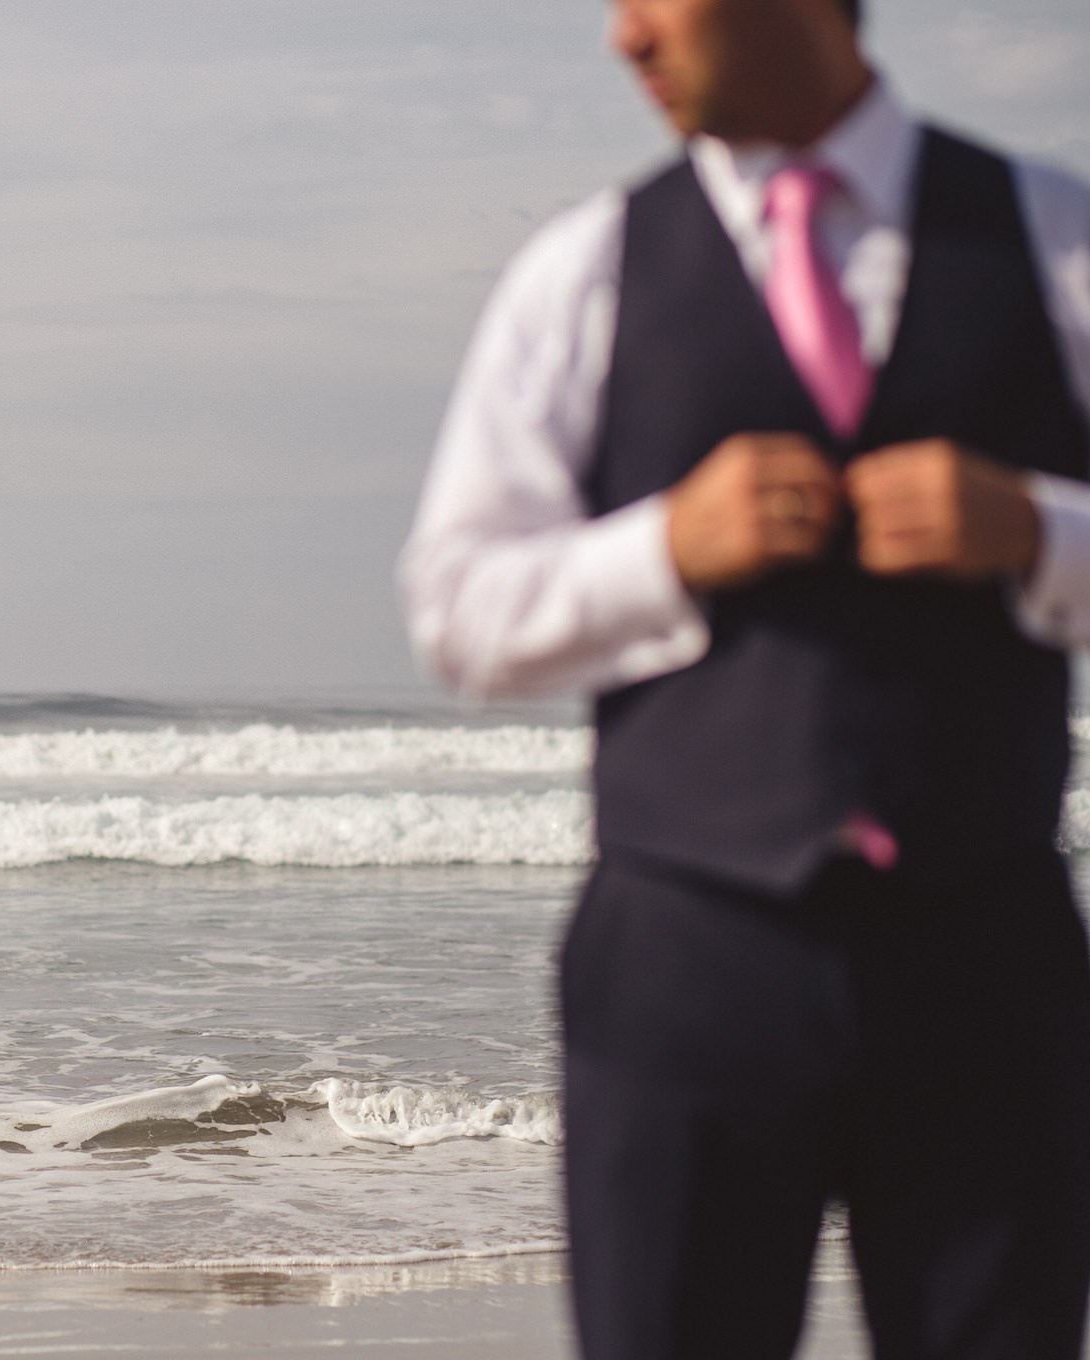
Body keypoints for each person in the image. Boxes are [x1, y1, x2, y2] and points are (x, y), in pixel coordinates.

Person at [400, 0, 1090, 1354]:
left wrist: (1037, 532)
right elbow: (456, 608)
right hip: (683, 979)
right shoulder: (583, 270)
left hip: (987, 968)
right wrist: (665, 550)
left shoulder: (1052, 237)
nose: (625, 37)